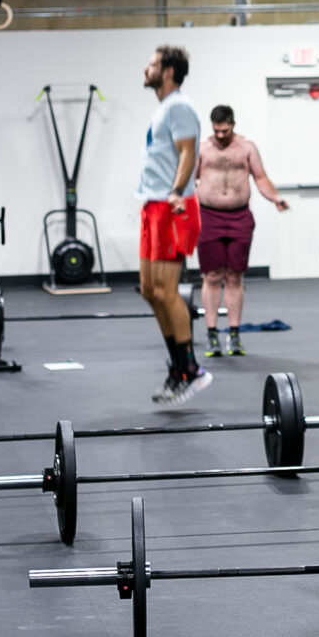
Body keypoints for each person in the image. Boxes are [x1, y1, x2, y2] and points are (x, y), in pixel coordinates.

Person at [136, 45, 211, 405]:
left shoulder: (179, 105)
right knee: (150, 290)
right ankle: (178, 366)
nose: (145, 69)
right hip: (153, 206)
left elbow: (189, 152)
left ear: (167, 71)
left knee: (166, 290)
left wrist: (176, 192)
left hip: (172, 205)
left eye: (151, 64)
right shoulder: (164, 108)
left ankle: (190, 369)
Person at [195, 105, 290, 357]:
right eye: (217, 131)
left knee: (235, 276)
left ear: (233, 124)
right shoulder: (203, 148)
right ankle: (213, 334)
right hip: (208, 216)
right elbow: (187, 180)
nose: (221, 135)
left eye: (225, 130)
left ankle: (234, 335)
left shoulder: (247, 147)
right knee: (212, 275)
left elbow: (260, 178)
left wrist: (275, 198)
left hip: (239, 216)